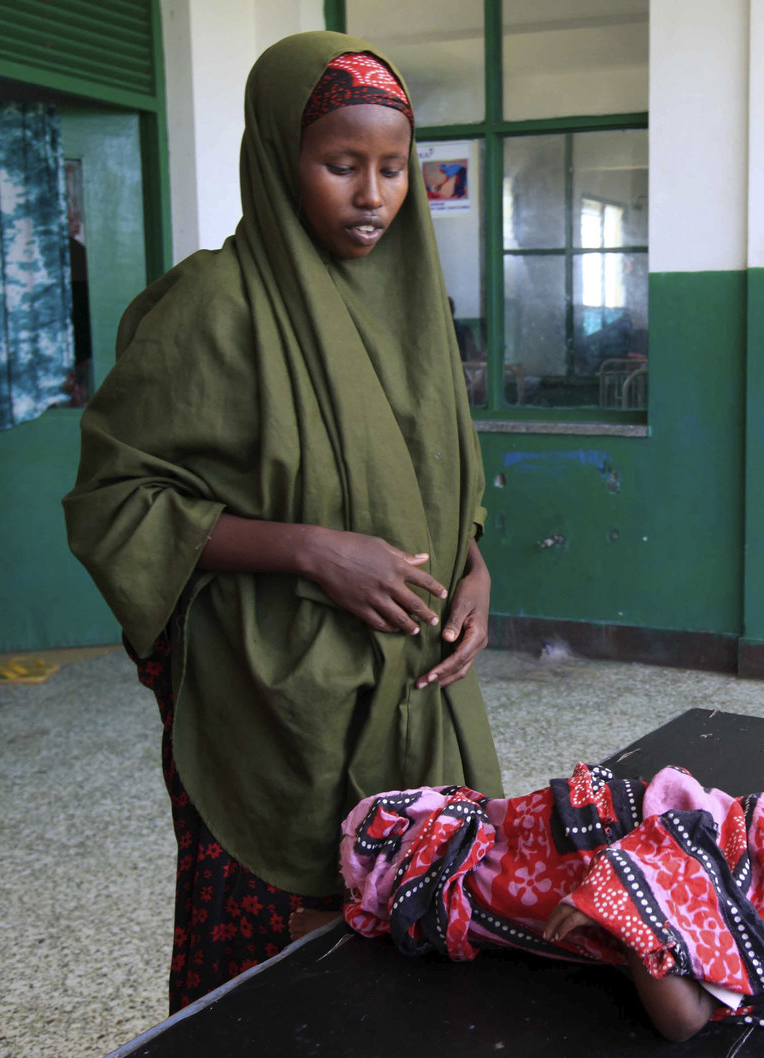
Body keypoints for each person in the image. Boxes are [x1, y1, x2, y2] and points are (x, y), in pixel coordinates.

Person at [62, 33, 503, 1012]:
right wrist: (309, 551)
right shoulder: (211, 306)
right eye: (341, 164)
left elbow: (437, 478)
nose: (374, 195)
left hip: (413, 695)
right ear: (274, 156)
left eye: (394, 169)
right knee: (270, 992)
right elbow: (117, 500)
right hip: (272, 708)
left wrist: (473, 570)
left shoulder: (415, 302)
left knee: (411, 955)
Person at [290, 763, 764, 1039]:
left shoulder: (757, 930)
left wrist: (639, 900)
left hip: (554, 885)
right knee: (483, 833)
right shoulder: (757, 849)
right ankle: (343, 914)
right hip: (563, 838)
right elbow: (690, 824)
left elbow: (682, 1020)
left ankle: (331, 924)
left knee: (459, 882)